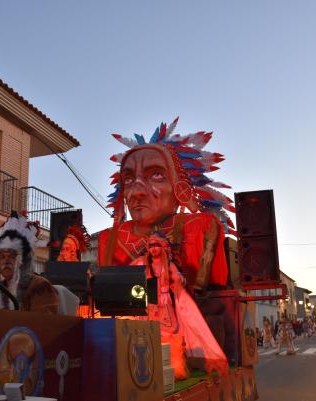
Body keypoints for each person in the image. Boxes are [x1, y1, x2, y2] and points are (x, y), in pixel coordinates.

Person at [98, 118, 234, 294]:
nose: (136, 192)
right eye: (129, 179)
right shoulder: (108, 239)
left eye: (156, 175)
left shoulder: (202, 226)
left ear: (180, 186)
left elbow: (218, 296)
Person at [131, 233, 228, 379]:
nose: (153, 249)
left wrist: (177, 280)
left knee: (170, 337)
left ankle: (175, 371)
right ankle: (147, 371)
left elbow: (179, 278)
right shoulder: (140, 263)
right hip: (146, 306)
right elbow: (127, 272)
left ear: (163, 247)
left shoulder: (169, 265)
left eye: (156, 245)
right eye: (150, 246)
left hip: (164, 307)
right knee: (145, 338)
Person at [0, 211, 59, 314]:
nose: (6, 261)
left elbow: (43, 323)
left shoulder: (40, 286)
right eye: (2, 257)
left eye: (12, 256)